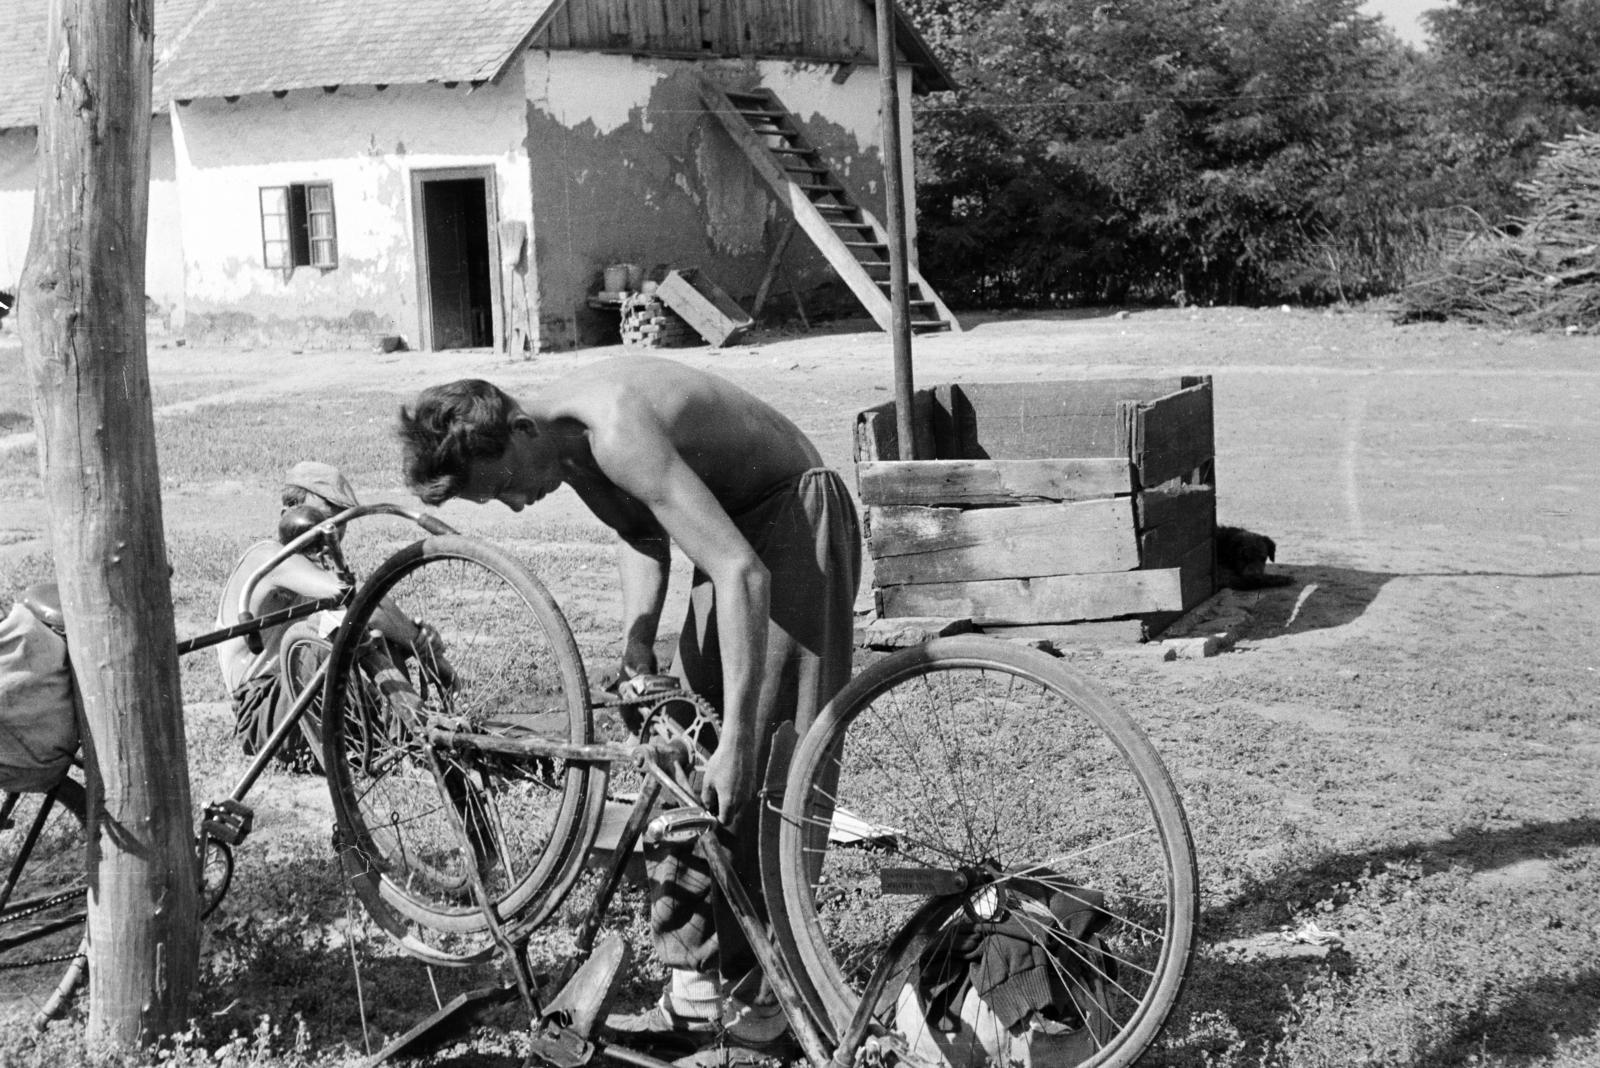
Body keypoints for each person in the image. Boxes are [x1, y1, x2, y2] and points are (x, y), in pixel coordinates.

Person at [397, 358, 861, 1057]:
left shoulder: (612, 428)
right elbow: (642, 534)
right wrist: (638, 640)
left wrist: (738, 737)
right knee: (681, 752)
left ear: (520, 429)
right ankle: (698, 994)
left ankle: (768, 1004)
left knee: (764, 759)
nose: (517, 504)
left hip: (794, 516)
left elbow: (742, 571)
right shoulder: (567, 451)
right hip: (736, 539)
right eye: (496, 501)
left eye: (507, 484)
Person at [215, 462, 432, 771]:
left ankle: (413, 739)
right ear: (289, 514)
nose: (333, 534)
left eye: (341, 523)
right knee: (333, 629)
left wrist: (412, 638)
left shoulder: (314, 569)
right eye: (324, 520)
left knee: (370, 629)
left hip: (307, 699)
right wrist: (421, 645)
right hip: (264, 712)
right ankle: (412, 740)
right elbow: (358, 602)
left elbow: (369, 606)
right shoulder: (267, 558)